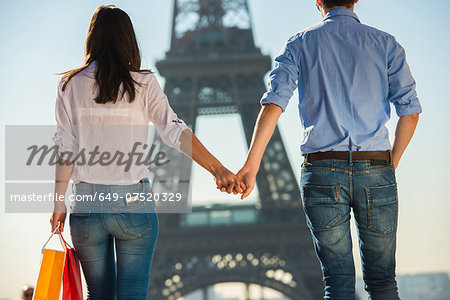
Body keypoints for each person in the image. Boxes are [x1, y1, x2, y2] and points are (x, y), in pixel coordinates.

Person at [228, 0, 421, 299]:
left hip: (322, 172)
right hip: (375, 168)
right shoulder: (385, 43)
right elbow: (410, 113)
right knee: (383, 282)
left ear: (317, 0)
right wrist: (389, 165)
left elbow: (273, 105)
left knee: (337, 283)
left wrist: (250, 167)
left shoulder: (300, 43)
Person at [49, 5, 243, 299]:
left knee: (97, 295)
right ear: (128, 39)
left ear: (93, 39)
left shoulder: (69, 85)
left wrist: (58, 203)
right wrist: (219, 170)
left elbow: (65, 149)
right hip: (133, 203)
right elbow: (175, 132)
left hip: (87, 205)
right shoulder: (143, 83)